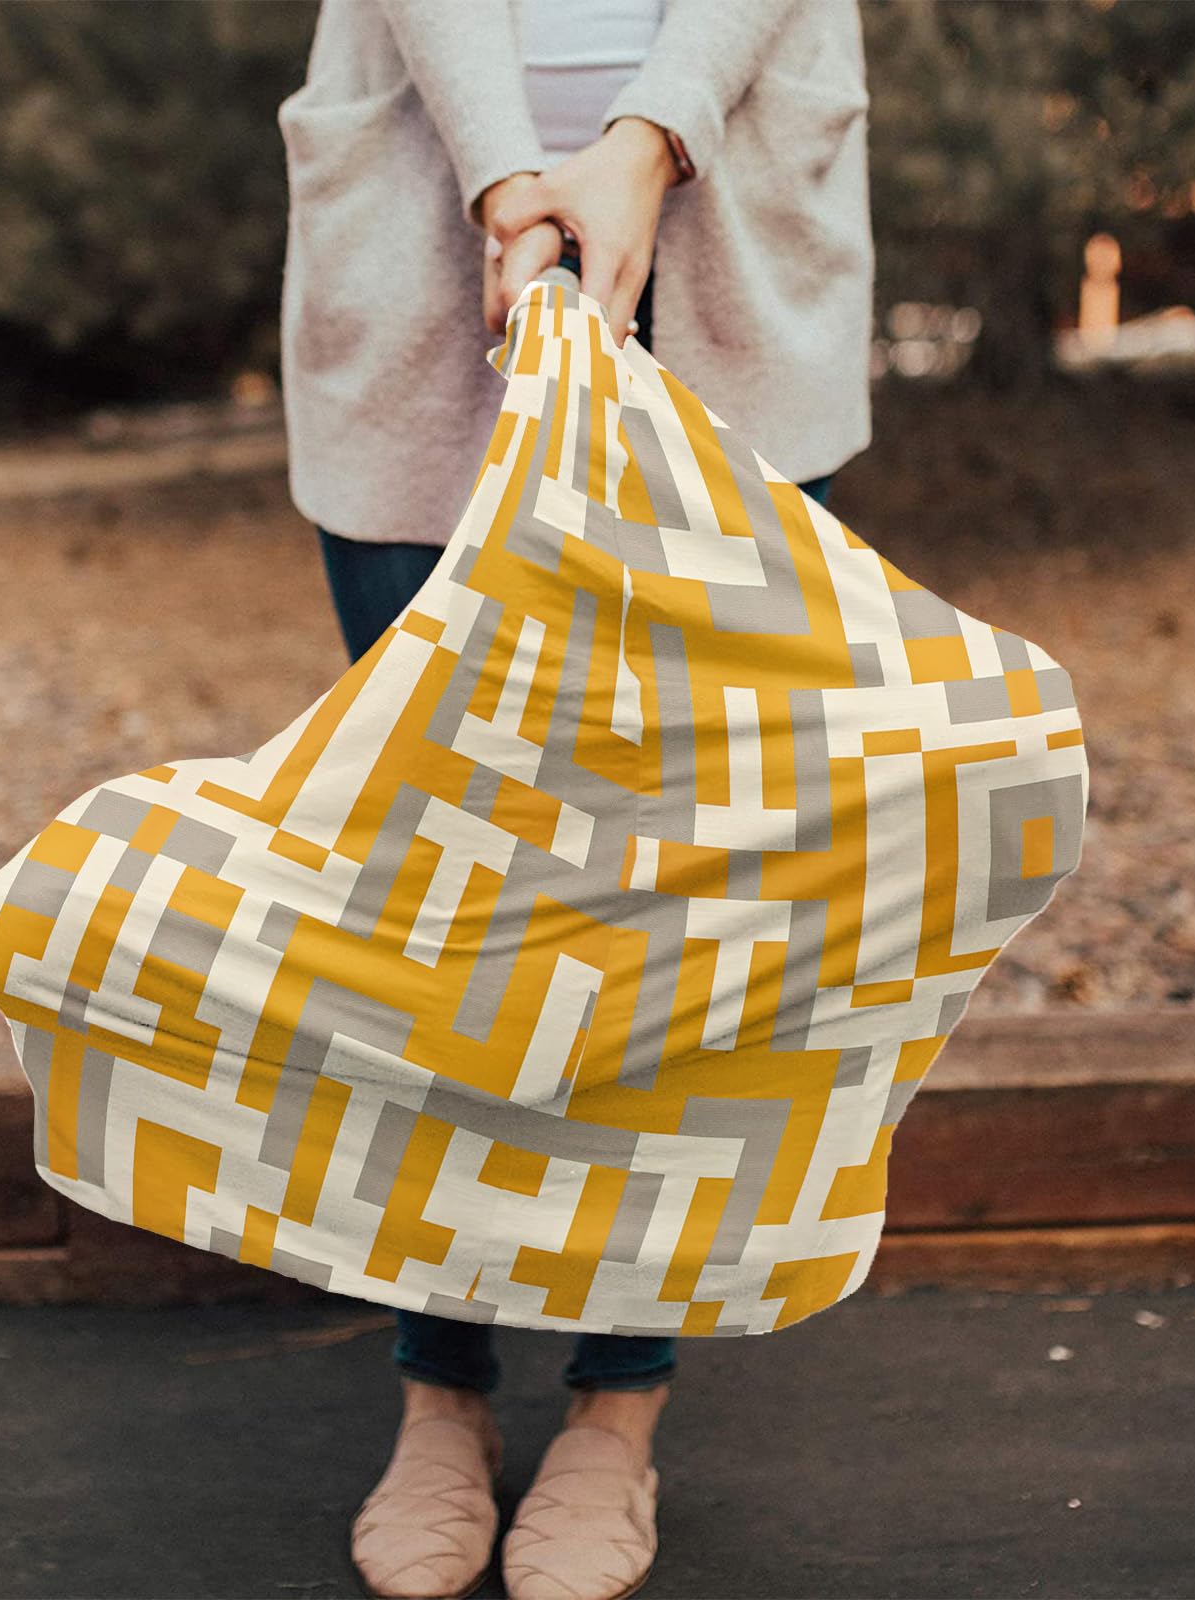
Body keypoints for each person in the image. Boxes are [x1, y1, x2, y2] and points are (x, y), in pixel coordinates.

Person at [275, 3, 873, 1596]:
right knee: (433, 878)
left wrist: (647, 137)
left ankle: (618, 1407)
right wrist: (503, 177)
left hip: (729, 225)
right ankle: (440, 1389)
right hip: (426, 229)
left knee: (679, 890)